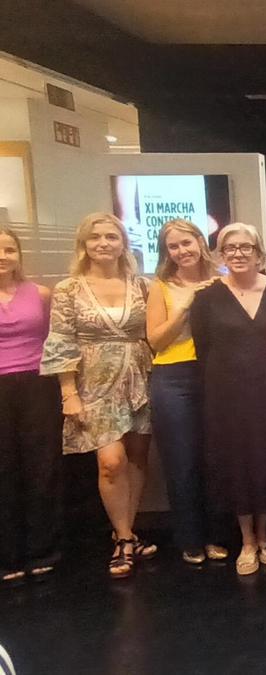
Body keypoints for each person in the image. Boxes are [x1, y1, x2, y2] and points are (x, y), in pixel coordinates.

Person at [40, 213, 155, 578]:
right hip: (93, 382)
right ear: (84, 245)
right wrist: (68, 392)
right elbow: (60, 340)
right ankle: (122, 538)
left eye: (111, 237)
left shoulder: (143, 286)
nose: (103, 243)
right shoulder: (68, 289)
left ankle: (129, 531)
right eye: (96, 238)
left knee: (137, 457)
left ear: (124, 243)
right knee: (111, 461)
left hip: (140, 376)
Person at [191, 223, 266, 576]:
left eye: (245, 247)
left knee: (265, 461)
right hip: (226, 395)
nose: (237, 253)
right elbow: (202, 348)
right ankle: (246, 539)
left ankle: (265, 536)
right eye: (229, 248)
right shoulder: (205, 298)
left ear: (259, 253)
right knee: (235, 464)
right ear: (220, 255)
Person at [145, 219, 228, 566]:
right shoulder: (161, 286)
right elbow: (156, 340)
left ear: (200, 241)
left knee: (217, 458)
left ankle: (220, 535)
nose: (182, 251)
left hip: (215, 375)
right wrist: (184, 308)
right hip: (173, 378)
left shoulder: (223, 280)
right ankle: (191, 538)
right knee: (182, 461)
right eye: (173, 247)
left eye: (186, 243)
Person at [0, 227, 61, 581]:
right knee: (3, 470)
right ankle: (8, 556)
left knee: (42, 469)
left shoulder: (40, 293)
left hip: (38, 384)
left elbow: (56, 341)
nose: (3, 256)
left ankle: (43, 551)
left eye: (9, 249)